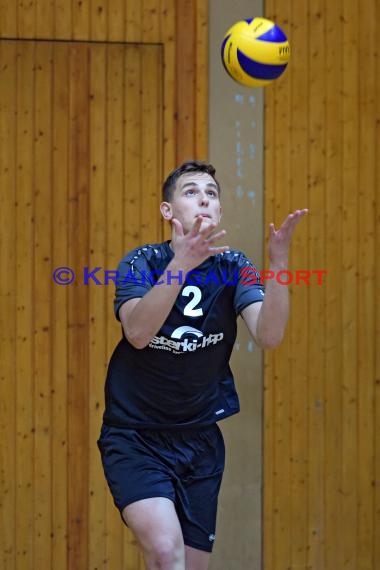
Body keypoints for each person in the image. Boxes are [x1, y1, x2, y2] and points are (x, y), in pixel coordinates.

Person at [98, 160, 307, 570]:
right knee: (164, 552)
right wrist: (182, 265)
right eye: (192, 191)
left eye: (211, 193)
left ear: (220, 211)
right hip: (136, 436)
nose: (204, 198)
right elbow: (138, 333)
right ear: (168, 211)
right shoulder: (140, 262)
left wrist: (279, 266)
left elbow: (269, 336)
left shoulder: (235, 267)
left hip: (199, 440)